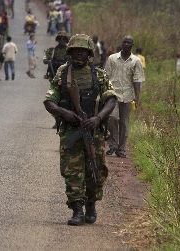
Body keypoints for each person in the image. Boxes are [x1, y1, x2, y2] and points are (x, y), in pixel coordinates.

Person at [43, 34, 118, 226]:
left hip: (94, 132)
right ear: (69, 52)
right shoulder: (63, 72)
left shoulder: (98, 74)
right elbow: (49, 101)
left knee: (95, 171)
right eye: (75, 51)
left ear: (89, 54)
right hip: (71, 132)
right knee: (72, 172)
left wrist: (98, 118)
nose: (78, 54)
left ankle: (91, 205)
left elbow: (111, 99)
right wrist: (63, 113)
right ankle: (77, 209)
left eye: (82, 51)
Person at [104, 35, 145, 158]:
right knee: (112, 118)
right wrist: (103, 93)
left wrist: (137, 97)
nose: (126, 44)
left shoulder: (136, 61)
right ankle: (113, 145)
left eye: (129, 43)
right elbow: (105, 76)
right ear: (121, 44)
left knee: (124, 123)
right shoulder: (112, 58)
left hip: (127, 95)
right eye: (124, 42)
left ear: (132, 45)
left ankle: (121, 149)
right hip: (113, 94)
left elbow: (137, 80)